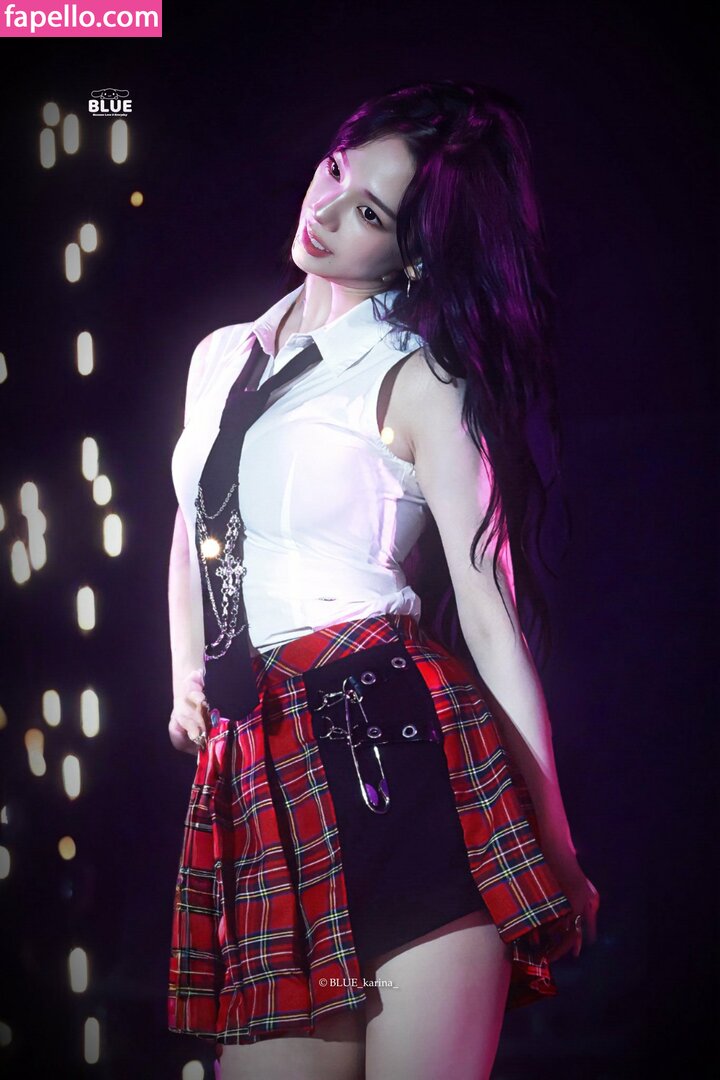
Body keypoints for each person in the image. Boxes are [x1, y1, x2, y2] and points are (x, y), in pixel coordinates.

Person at [166, 79, 600, 1080]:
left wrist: (554, 838)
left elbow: (490, 616)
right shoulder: (220, 357)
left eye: (367, 212)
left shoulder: (419, 377)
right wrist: (186, 672)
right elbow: (193, 524)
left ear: (411, 252)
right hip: (259, 764)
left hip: (399, 752)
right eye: (333, 173)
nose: (324, 211)